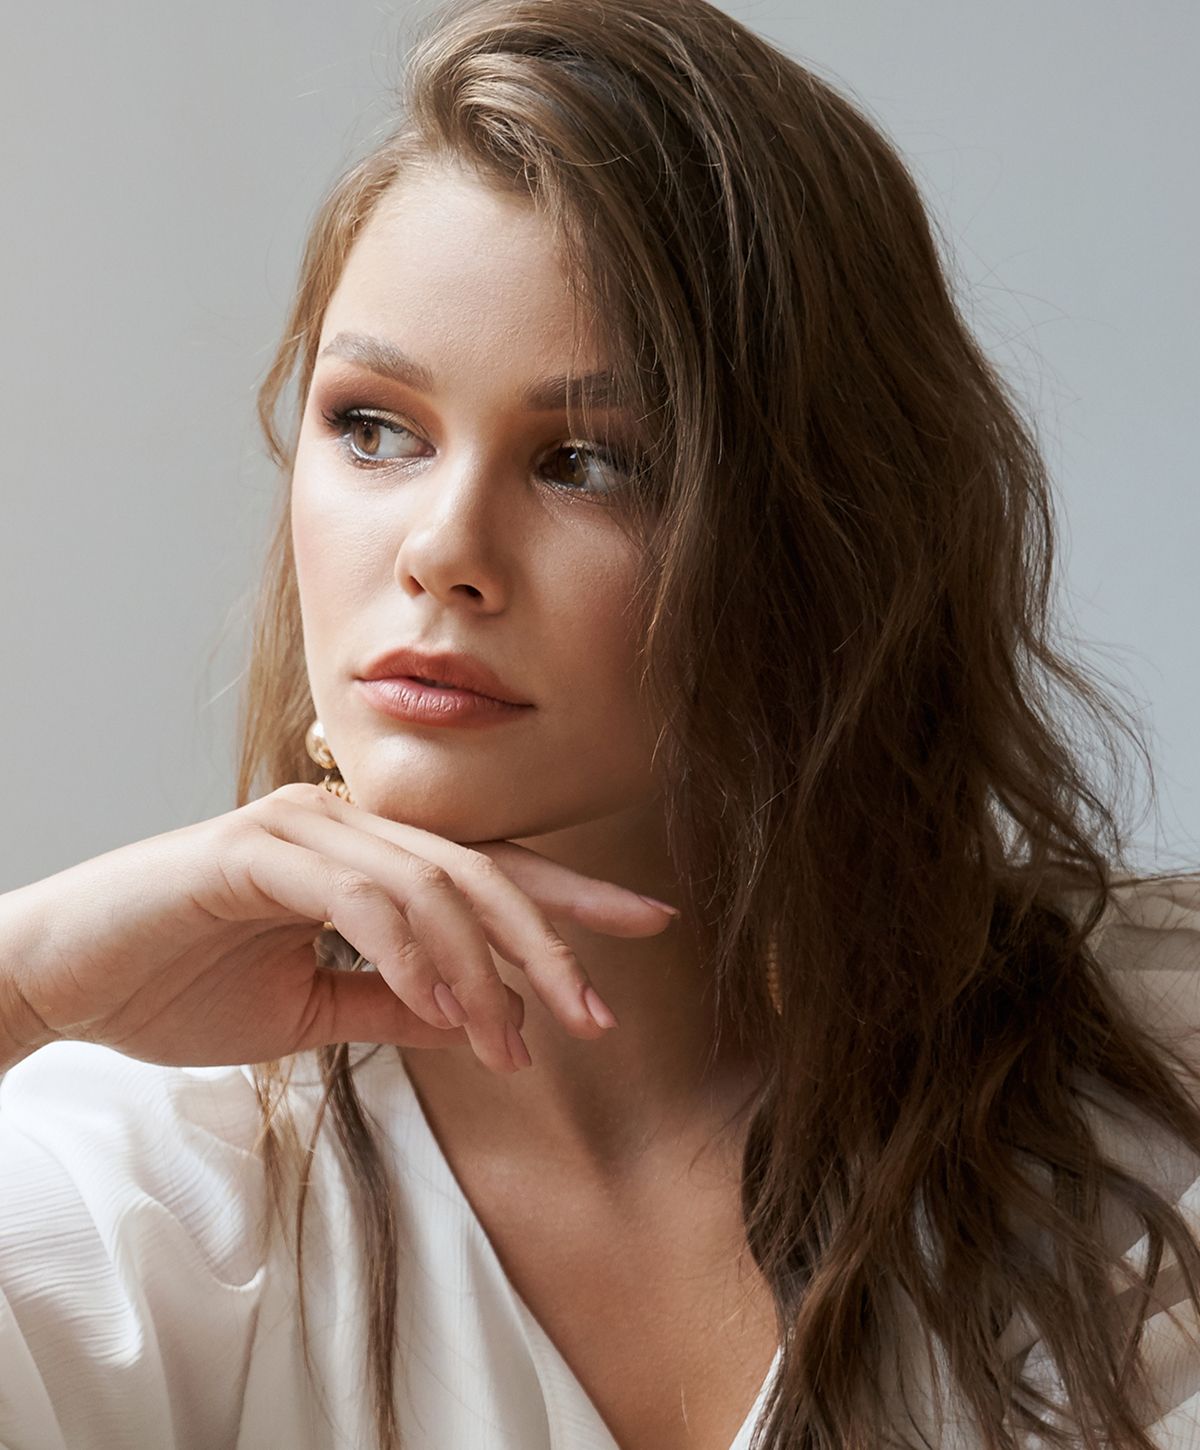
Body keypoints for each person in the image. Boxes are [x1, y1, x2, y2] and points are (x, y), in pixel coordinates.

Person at [2, 0, 1199, 1446]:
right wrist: (26, 975)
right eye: (374, 426)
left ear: (825, 538)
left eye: (587, 461)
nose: (442, 548)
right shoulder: (152, 1173)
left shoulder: (1149, 1085)